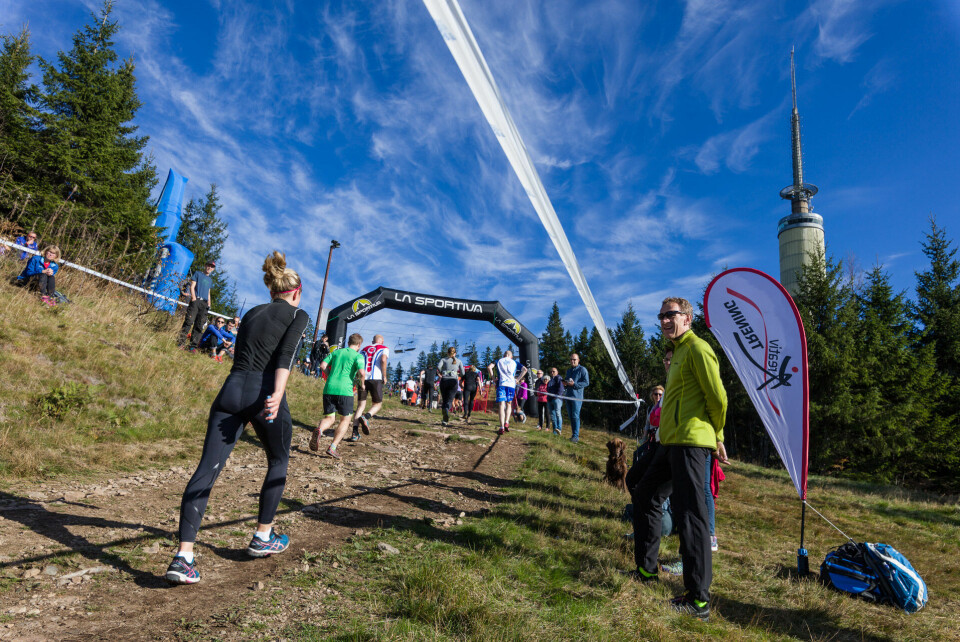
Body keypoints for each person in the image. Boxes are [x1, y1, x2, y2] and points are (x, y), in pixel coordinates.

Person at [165, 252, 308, 585]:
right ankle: (263, 536)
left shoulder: (253, 312)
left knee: (207, 468)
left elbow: (241, 353)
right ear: (296, 292)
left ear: (272, 289)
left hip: (231, 389)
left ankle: (183, 557)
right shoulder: (297, 314)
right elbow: (286, 355)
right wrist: (276, 393)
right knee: (278, 459)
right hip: (263, 391)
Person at [629, 297, 728, 621]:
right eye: (660, 316)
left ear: (687, 317)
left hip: (691, 444)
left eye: (670, 315)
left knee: (691, 516)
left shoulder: (698, 349)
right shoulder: (679, 352)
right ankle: (646, 571)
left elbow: (718, 398)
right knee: (644, 494)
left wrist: (718, 436)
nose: (664, 321)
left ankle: (698, 600)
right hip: (669, 443)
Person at [311, 333, 365, 459]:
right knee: (345, 420)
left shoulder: (336, 352)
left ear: (348, 343)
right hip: (345, 391)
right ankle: (333, 447)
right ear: (359, 345)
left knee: (330, 418)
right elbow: (362, 372)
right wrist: (362, 384)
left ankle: (319, 430)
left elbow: (323, 365)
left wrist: (329, 376)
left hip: (329, 388)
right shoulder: (358, 356)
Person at [350, 334, 389, 442]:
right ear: (382, 341)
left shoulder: (364, 349)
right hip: (375, 378)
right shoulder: (384, 348)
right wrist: (384, 376)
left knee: (360, 406)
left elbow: (358, 363)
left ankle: (354, 432)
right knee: (377, 404)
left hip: (363, 379)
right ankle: (366, 417)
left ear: (373, 341)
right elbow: (383, 360)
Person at [487, 349, 527, 435]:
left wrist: (493, 378)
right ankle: (507, 422)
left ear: (504, 355)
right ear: (511, 356)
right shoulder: (514, 362)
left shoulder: (499, 360)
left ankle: (501, 427)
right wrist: (518, 379)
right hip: (511, 385)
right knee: (509, 404)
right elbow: (525, 369)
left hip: (501, 384)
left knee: (501, 405)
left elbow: (489, 367)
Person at [178, 261, 216, 350]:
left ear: (213, 269)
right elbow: (192, 286)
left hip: (204, 303)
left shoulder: (210, 280)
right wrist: (194, 298)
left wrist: (209, 303)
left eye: (212, 267)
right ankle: (181, 343)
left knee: (199, 325)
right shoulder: (198, 274)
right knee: (189, 321)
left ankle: (192, 346)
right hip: (196, 300)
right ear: (205, 265)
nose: (209, 268)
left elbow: (208, 292)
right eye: (208, 265)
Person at [563, 353, 590, 443]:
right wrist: (565, 384)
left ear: (578, 360)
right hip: (568, 396)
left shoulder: (582, 370)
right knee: (571, 416)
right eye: (571, 359)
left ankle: (576, 436)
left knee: (575, 416)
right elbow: (568, 382)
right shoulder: (569, 371)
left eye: (574, 359)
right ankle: (573, 435)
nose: (572, 361)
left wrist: (575, 384)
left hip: (577, 397)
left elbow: (586, 382)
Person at [437, 347, 465, 426]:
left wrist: (443, 372)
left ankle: (444, 419)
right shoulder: (459, 361)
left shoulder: (443, 360)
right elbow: (463, 373)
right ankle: (446, 410)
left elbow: (438, 367)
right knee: (450, 399)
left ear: (447, 353)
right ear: (455, 353)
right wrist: (457, 373)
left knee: (444, 398)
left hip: (444, 380)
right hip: (453, 381)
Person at [546, 367, 564, 435]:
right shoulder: (550, 380)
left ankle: (559, 428)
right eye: (551, 372)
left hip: (557, 399)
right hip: (550, 399)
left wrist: (556, 396)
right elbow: (548, 390)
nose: (552, 373)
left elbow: (561, 388)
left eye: (553, 371)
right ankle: (555, 431)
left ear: (557, 372)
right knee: (553, 416)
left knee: (558, 414)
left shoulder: (559, 378)